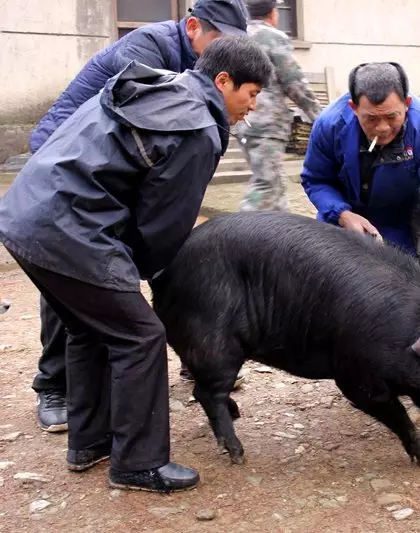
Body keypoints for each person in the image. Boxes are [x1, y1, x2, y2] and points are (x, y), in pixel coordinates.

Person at [0, 36, 271, 492]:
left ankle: (89, 442)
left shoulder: (152, 86)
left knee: (89, 328)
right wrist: (155, 278)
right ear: (223, 81)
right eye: (251, 94)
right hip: (69, 229)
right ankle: (138, 463)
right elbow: (161, 227)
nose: (252, 107)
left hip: (24, 216)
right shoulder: (198, 127)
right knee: (141, 337)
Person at [25, 0, 248, 434]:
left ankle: (193, 354)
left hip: (122, 168)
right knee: (71, 273)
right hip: (70, 160)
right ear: (193, 26)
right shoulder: (149, 48)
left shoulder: (207, 68)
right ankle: (53, 385)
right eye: (221, 38)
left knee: (173, 249)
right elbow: (146, 121)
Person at [300, 62, 420, 423]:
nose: (382, 127)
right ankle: (365, 376)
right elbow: (315, 179)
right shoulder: (330, 125)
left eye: (392, 117)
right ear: (353, 108)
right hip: (346, 220)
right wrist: (341, 213)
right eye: (370, 119)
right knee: (344, 302)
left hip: (397, 221)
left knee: (409, 300)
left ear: (407, 103)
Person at [238, 0, 321, 212]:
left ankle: (278, 234)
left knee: (274, 183)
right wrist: (320, 118)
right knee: (267, 184)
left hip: (243, 121)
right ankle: (239, 231)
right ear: (273, 13)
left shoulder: (239, 35)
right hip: (267, 124)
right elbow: (293, 82)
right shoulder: (272, 38)